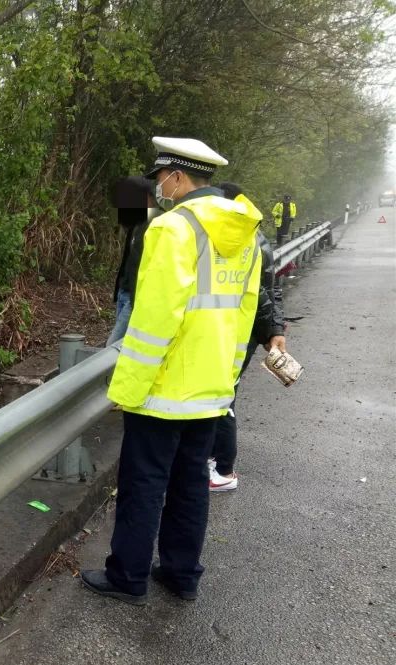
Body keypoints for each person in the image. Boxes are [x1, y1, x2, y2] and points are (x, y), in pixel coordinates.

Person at [81, 137, 262, 605]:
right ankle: (182, 574)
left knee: (144, 483)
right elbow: (243, 314)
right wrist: (228, 379)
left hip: (163, 390)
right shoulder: (246, 233)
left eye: (161, 177)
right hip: (212, 388)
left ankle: (127, 577)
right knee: (190, 484)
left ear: (178, 177)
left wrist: (128, 387)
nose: (159, 186)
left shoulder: (172, 230)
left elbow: (155, 320)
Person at [208, 182, 287, 492]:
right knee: (224, 395)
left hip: (242, 328)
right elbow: (272, 290)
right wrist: (275, 330)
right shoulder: (254, 237)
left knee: (224, 399)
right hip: (246, 328)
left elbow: (264, 294)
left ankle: (223, 470)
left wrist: (273, 331)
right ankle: (215, 460)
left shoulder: (246, 242)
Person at [107, 176, 158, 346]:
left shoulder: (158, 223)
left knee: (112, 346)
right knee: (122, 345)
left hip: (135, 297)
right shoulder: (137, 223)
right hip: (124, 292)